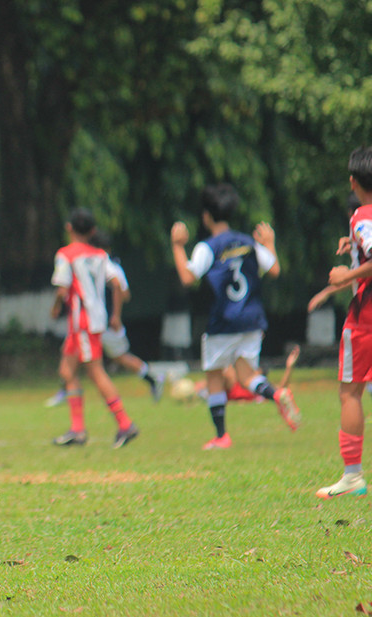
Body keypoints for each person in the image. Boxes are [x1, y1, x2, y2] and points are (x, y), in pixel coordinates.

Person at [171, 183, 300, 451]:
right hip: (252, 320)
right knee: (246, 375)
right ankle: (277, 393)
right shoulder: (247, 242)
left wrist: (177, 246)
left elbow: (187, 277)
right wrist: (270, 244)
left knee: (214, 376)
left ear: (206, 216)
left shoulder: (208, 247)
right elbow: (274, 269)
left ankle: (221, 436)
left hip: (223, 322)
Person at [308, 147, 372, 499]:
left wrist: (347, 273)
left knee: (350, 391)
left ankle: (352, 476)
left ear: (353, 181)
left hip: (366, 316)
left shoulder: (362, 214)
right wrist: (354, 248)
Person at [49, 208, 140, 449]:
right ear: (92, 231)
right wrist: (116, 315)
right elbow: (118, 283)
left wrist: (56, 306)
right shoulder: (100, 255)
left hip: (83, 322)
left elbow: (61, 287)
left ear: (69, 228)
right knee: (67, 371)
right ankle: (77, 430)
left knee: (96, 371)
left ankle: (125, 424)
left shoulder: (66, 254)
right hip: (91, 321)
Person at [93, 230, 166, 402]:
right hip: (100, 320)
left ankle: (153, 378)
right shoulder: (111, 265)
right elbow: (126, 293)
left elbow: (121, 291)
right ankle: (67, 388)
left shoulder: (105, 265)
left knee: (119, 356)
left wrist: (115, 314)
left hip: (105, 321)